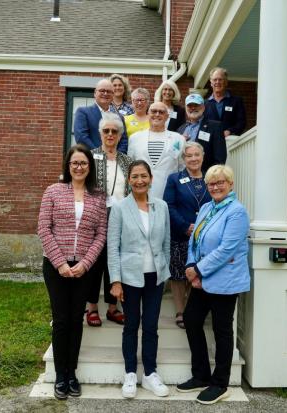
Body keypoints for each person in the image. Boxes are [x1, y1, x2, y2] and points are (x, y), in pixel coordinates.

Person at [37, 144, 107, 400]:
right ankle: (60, 374)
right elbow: (44, 229)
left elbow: (101, 235)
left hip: (83, 269)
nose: (79, 167)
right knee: (61, 319)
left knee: (76, 320)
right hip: (56, 267)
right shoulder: (53, 191)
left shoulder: (99, 196)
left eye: (84, 163)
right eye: (74, 163)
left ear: (90, 168)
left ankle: (72, 373)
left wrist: (85, 263)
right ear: (68, 166)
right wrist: (60, 263)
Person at [177, 164, 250, 405]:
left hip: (225, 281)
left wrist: (198, 269)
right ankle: (200, 375)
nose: (216, 186)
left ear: (230, 184)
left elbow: (226, 249)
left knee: (222, 331)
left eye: (220, 182)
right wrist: (190, 267)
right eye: (211, 183)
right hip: (200, 279)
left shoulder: (237, 212)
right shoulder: (207, 207)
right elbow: (194, 241)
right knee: (191, 319)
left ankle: (220, 383)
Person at [108, 160, 171, 399]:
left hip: (155, 276)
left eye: (143, 176)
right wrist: (115, 280)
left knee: (151, 326)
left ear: (151, 178)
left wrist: (163, 271)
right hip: (130, 276)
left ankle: (150, 373)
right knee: (131, 325)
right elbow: (113, 247)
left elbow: (165, 242)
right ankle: (130, 374)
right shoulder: (120, 208)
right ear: (129, 180)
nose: (139, 180)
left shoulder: (161, 207)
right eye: (134, 176)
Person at [86, 113, 133, 326]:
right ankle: (92, 307)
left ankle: (113, 308)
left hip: (120, 217)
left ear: (120, 134)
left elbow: (131, 189)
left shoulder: (127, 161)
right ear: (100, 134)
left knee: (115, 261)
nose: (110, 134)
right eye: (106, 131)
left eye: (115, 131)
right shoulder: (90, 157)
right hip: (95, 217)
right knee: (95, 263)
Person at [163, 142, 211, 329]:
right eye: (189, 155)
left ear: (203, 156)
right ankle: (180, 311)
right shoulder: (175, 179)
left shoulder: (211, 177)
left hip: (205, 237)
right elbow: (169, 205)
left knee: (197, 271)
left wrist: (203, 228)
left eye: (196, 155)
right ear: (184, 159)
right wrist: (185, 226)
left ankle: (192, 309)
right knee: (178, 274)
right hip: (181, 233)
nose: (193, 159)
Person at [127, 101, 185, 199]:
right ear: (148, 114)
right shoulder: (134, 138)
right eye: (153, 111)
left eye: (161, 112)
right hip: (140, 193)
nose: (157, 114)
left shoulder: (178, 139)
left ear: (167, 116)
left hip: (168, 194)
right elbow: (130, 166)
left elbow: (182, 167)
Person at [74, 78, 128, 153]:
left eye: (109, 91)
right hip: (92, 160)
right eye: (102, 90)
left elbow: (123, 141)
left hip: (114, 161)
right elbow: (81, 138)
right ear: (95, 93)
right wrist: (100, 155)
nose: (105, 93)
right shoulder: (83, 112)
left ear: (113, 95)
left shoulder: (119, 117)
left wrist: (116, 157)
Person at [177, 93, 227, 171]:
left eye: (196, 105)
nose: (193, 108)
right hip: (182, 176)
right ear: (186, 108)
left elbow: (220, 158)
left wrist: (210, 177)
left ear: (203, 108)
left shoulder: (215, 127)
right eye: (190, 106)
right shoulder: (180, 129)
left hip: (205, 177)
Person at [204, 67, 246, 138]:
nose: (217, 82)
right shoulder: (204, 103)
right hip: (210, 143)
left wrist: (230, 131)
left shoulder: (236, 101)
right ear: (211, 83)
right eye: (215, 80)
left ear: (226, 82)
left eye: (220, 79)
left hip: (230, 142)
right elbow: (202, 124)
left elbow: (241, 123)